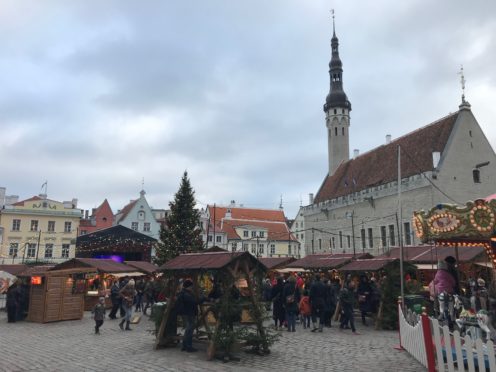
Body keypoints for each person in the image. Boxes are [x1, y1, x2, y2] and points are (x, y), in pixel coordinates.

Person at [175, 279, 199, 352]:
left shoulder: (183, 293)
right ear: (188, 286)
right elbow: (194, 302)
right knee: (190, 330)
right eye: (191, 286)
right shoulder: (186, 294)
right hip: (189, 313)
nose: (192, 288)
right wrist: (203, 298)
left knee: (188, 329)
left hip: (186, 313)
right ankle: (188, 346)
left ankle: (185, 345)